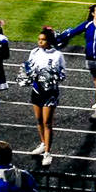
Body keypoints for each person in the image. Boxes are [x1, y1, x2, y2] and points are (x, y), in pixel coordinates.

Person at [24, 28, 66, 166]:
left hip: (50, 93)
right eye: (39, 39)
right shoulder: (34, 52)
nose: (39, 42)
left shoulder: (57, 55)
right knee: (39, 120)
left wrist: (53, 76)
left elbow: (62, 74)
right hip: (36, 90)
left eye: (43, 40)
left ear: (49, 41)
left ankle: (48, 153)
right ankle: (43, 143)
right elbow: (29, 69)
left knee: (47, 122)